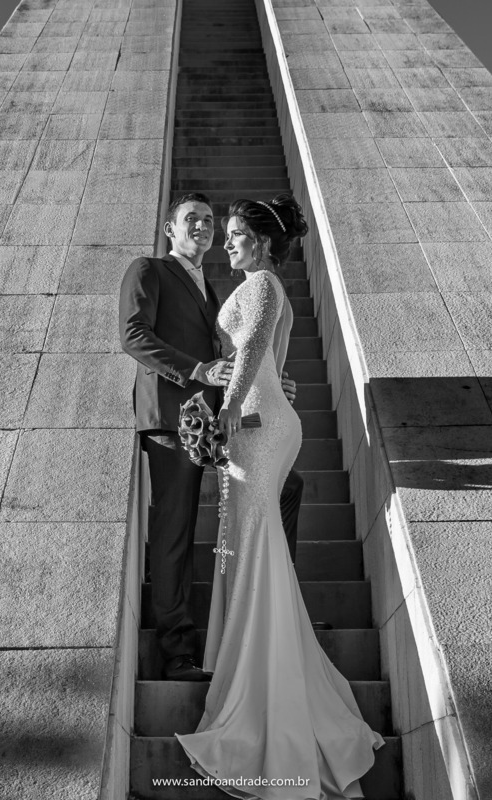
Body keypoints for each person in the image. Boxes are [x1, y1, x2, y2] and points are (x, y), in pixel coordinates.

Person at [175, 195, 384, 798]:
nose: (229, 243)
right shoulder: (258, 284)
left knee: (255, 543)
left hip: (257, 425)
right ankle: (263, 669)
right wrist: (247, 399)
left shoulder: (263, 285)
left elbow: (251, 352)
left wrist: (229, 412)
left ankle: (262, 690)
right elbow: (273, 363)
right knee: (248, 544)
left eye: (238, 234)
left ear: (263, 243)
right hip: (263, 417)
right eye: (230, 234)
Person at [119, 193, 308, 683]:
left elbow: (242, 348)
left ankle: (282, 612)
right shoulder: (150, 271)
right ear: (170, 230)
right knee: (175, 531)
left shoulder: (215, 287)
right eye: (192, 220)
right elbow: (134, 336)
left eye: (209, 220)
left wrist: (273, 378)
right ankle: (178, 650)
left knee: (288, 488)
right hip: (173, 419)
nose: (204, 227)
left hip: (219, 421)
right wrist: (199, 370)